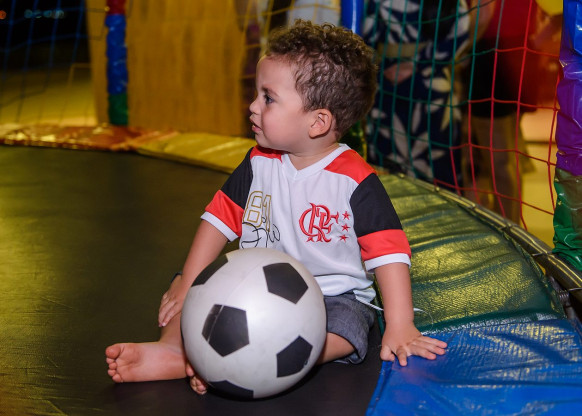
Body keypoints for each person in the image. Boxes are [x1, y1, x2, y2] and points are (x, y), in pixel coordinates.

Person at [105, 20, 447, 395]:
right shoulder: (258, 163)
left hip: (331, 296)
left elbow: (390, 254)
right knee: (188, 280)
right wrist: (189, 282)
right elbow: (218, 219)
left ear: (318, 122)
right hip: (251, 283)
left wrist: (399, 324)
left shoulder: (354, 181)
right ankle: (175, 349)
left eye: (268, 98)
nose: (253, 106)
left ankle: (266, 363)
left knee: (349, 329)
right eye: (257, 94)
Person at [362, 0, 471, 190]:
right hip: (384, 85)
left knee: (437, 163)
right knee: (386, 164)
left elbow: (461, 31)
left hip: (431, 86)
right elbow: (364, 31)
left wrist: (417, 63)